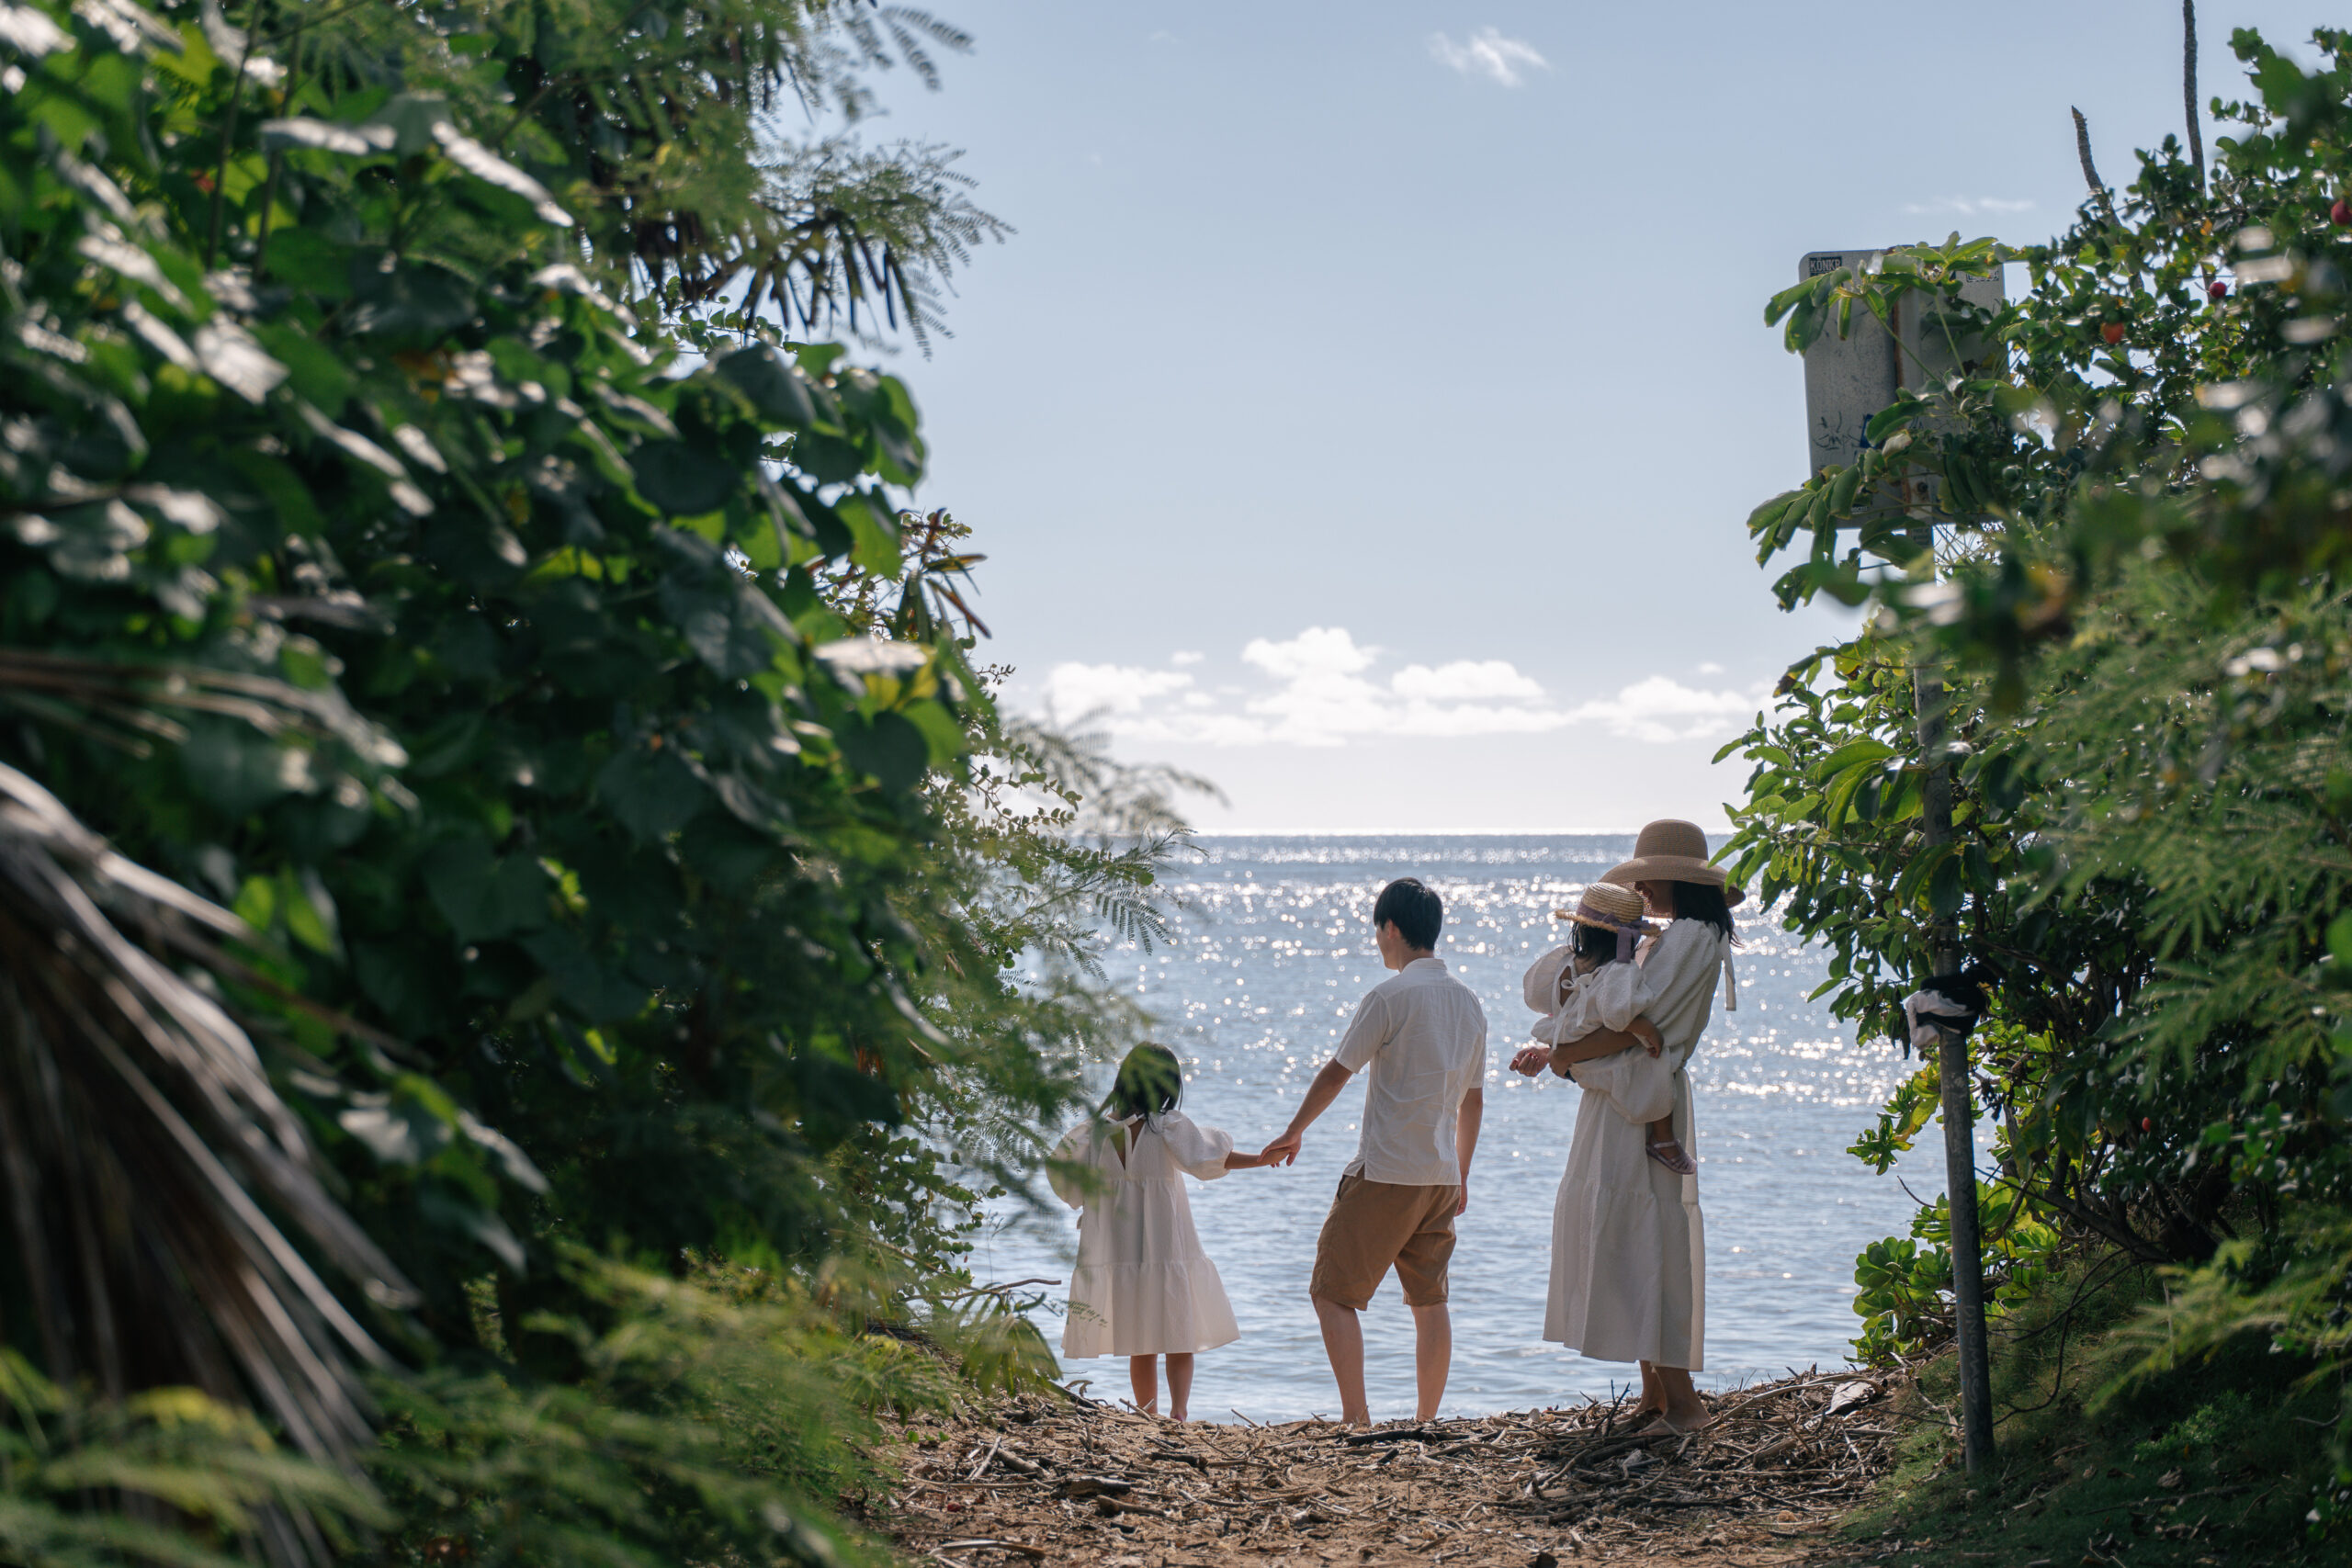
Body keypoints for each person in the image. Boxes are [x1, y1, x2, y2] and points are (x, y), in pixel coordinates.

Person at [1511, 820, 1739, 1436]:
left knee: (1646, 1240)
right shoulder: (1686, 936)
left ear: (1675, 879)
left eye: (1648, 877)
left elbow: (1641, 1024)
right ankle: (1656, 1396)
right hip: (1625, 1089)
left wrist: (1565, 1054)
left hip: (1637, 1091)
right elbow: (1624, 1014)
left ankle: (1684, 1405)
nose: (1641, 889)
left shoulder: (1691, 936)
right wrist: (1568, 1052)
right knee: (1637, 1236)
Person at [1261, 877, 1487, 1427]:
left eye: (1377, 930)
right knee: (1430, 1301)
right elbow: (1473, 1100)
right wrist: (1462, 1173)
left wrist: (1294, 1130)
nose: (1377, 941)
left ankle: (1356, 1418)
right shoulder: (1469, 1003)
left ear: (1391, 928)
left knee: (1330, 1292)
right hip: (1439, 1175)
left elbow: (1336, 1073)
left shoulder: (1388, 997)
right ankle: (1426, 1421)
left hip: (1386, 1171)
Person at [1048, 1043, 1272, 1420]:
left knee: (1142, 1339)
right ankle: (1178, 1413)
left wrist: (1091, 1198)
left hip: (1120, 1247)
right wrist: (1262, 1159)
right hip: (1166, 1241)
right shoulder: (1166, 1127)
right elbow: (1209, 1159)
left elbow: (1060, 1173)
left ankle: (1146, 1412)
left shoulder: (1093, 1134)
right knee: (1179, 1331)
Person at [1517, 882, 1690, 1174]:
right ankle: (1663, 1139)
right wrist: (1645, 1027)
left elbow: (1538, 996)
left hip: (1566, 1047)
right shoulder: (1617, 972)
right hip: (1592, 1060)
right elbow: (1617, 1014)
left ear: (1580, 928)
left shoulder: (1563, 962)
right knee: (1655, 1064)